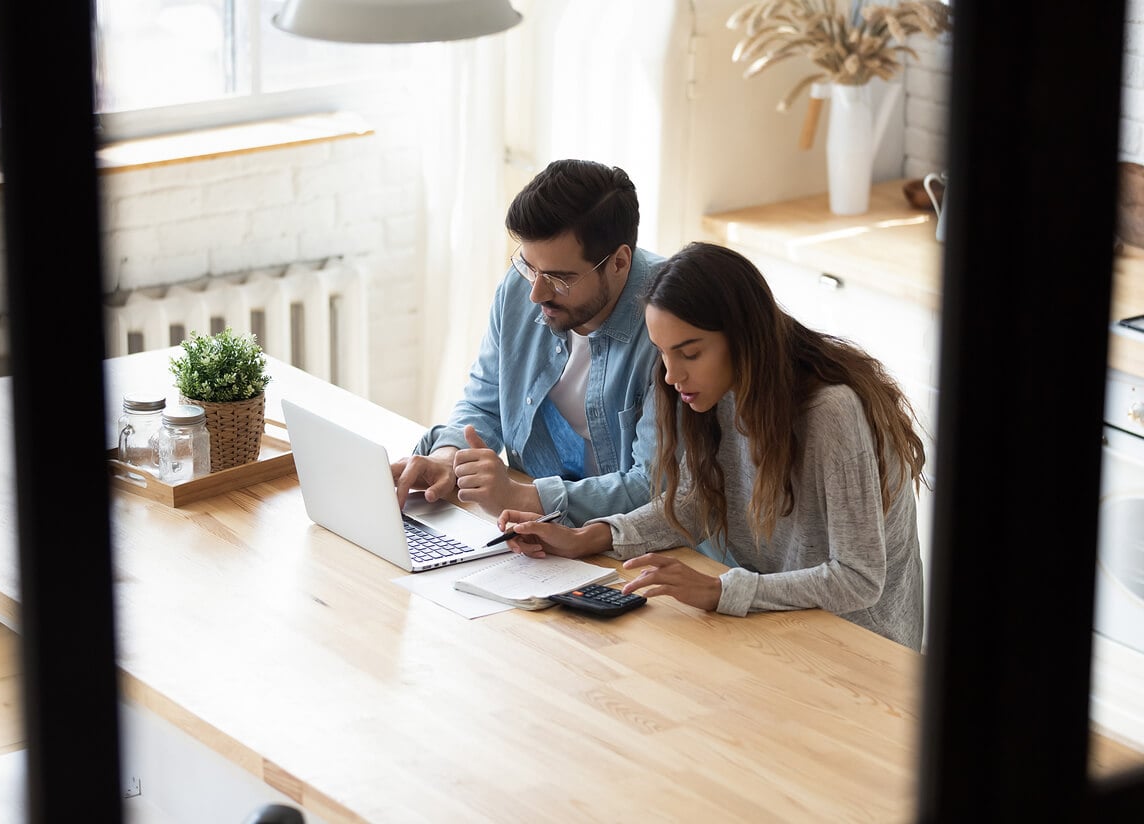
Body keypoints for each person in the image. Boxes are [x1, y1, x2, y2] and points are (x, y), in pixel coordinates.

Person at [498, 242, 927, 650]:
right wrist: (590, 536)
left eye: (689, 353)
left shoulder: (831, 410)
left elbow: (859, 578)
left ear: (743, 338)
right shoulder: (713, 390)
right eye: (664, 353)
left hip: (861, 648)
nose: (671, 375)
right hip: (783, 623)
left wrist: (721, 589)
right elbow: (697, 504)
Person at [391, 159, 667, 525]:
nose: (536, 292)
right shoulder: (520, 286)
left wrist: (522, 496)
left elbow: (653, 487)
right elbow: (486, 402)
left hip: (630, 545)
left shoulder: (672, 322)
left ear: (618, 262)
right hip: (533, 532)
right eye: (529, 266)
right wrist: (447, 459)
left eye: (558, 278)